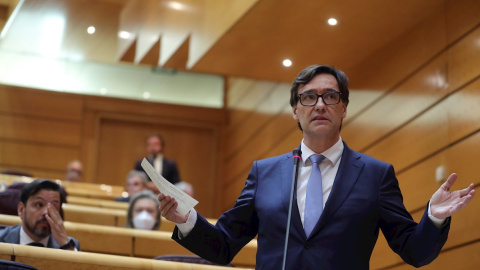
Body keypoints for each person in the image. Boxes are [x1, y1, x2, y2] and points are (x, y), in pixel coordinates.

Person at [158, 64, 475, 269]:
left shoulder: (376, 175)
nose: (320, 104)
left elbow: (415, 252)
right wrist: (187, 220)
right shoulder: (264, 172)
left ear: (344, 108)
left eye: (330, 96)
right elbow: (224, 246)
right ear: (295, 111)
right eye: (308, 97)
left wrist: (433, 218)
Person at [0, 179, 80, 250]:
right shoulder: (1, 239)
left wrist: (65, 245)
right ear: (21, 210)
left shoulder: (70, 246)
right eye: (39, 205)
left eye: (53, 207)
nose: (46, 212)